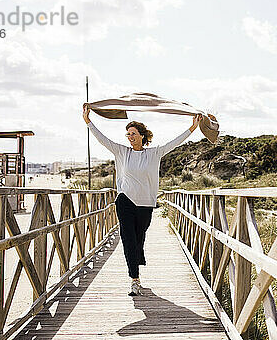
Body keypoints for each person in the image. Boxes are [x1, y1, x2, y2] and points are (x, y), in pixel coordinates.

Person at [82, 103, 201, 296]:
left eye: (133, 134)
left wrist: (192, 128)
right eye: (128, 134)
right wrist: (88, 121)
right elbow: (102, 139)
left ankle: (137, 261)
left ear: (142, 136)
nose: (130, 137)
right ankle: (134, 280)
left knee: (139, 239)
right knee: (128, 239)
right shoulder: (121, 152)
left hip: (145, 204)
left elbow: (175, 143)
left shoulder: (154, 153)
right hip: (125, 201)